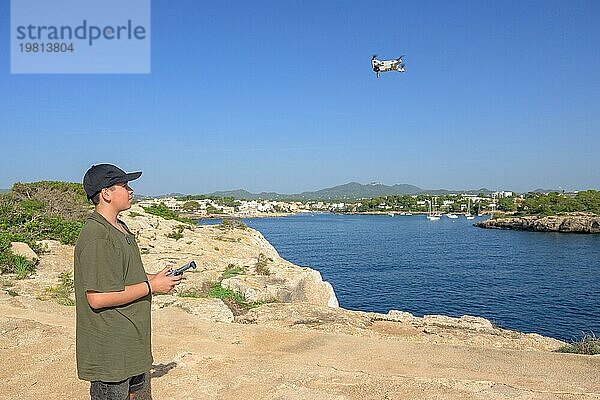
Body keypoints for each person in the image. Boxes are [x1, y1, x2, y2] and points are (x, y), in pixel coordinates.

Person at [74, 164, 181, 400]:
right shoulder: (97, 236)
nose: (131, 190)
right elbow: (97, 297)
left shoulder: (120, 227)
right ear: (106, 194)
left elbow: (121, 278)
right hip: (111, 351)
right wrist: (152, 287)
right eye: (124, 186)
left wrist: (156, 277)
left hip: (131, 345)